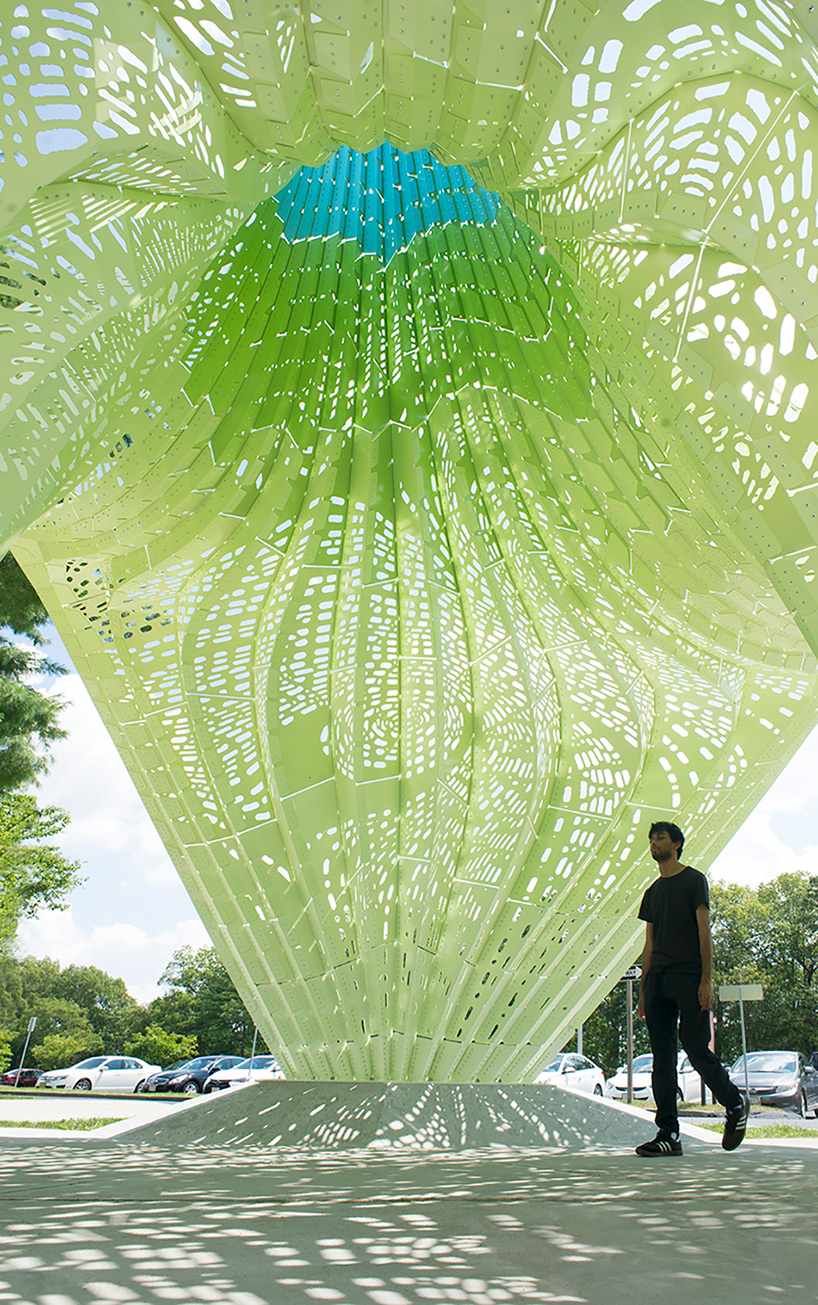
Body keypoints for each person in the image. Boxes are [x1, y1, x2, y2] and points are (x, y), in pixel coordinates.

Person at [634, 820, 749, 1156]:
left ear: (677, 844)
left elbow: (704, 932)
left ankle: (734, 1102)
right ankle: (668, 1134)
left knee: (695, 1049)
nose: (654, 843)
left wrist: (706, 979)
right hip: (658, 980)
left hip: (689, 976)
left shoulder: (693, 881)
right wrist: (643, 989)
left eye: (661, 838)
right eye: (652, 839)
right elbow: (649, 943)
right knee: (662, 1059)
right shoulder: (652, 892)